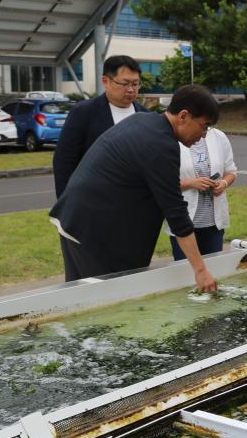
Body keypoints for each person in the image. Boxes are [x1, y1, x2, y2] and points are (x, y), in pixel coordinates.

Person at [49, 84, 219, 292]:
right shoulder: (161, 144)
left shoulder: (145, 121)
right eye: (204, 126)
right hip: (93, 232)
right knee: (102, 304)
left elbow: (159, 186)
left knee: (83, 301)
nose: (203, 135)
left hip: (77, 220)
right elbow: (176, 213)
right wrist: (200, 270)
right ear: (183, 116)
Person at [52, 55, 148, 198]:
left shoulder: (146, 116)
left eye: (135, 84)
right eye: (124, 83)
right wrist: (66, 204)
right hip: (94, 201)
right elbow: (64, 160)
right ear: (106, 81)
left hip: (138, 201)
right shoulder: (83, 113)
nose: (130, 89)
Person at [166, 119, 237, 260]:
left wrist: (223, 183)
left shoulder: (218, 136)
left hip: (213, 224)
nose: (205, 132)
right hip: (184, 222)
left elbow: (231, 171)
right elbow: (163, 182)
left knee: (212, 271)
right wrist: (192, 183)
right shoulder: (172, 138)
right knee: (186, 273)